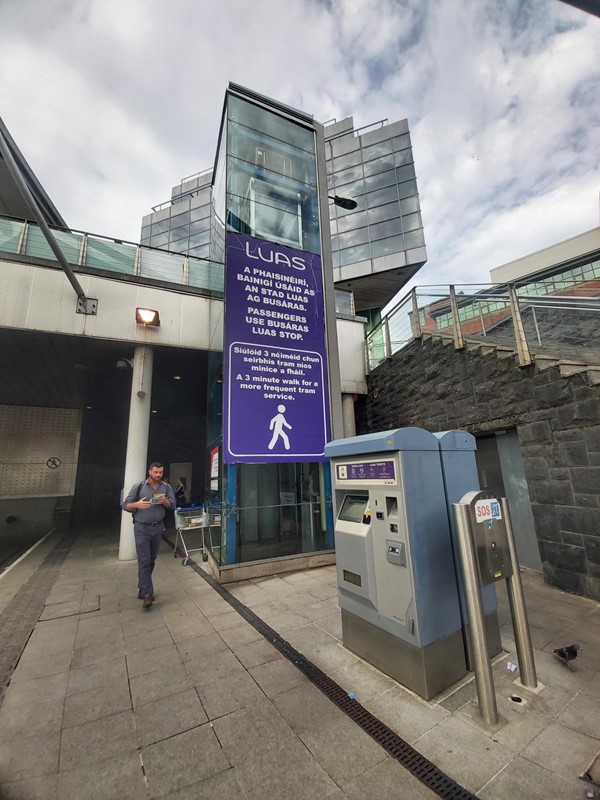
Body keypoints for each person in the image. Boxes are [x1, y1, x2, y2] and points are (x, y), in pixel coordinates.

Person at [122, 462, 176, 608]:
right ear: (149, 472)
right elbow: (125, 505)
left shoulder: (166, 487)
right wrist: (136, 505)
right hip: (142, 529)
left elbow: (173, 505)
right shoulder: (139, 487)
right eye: (156, 472)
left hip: (158, 528)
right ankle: (148, 594)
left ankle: (142, 588)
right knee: (144, 560)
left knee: (151, 560)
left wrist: (165, 501)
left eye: (160, 472)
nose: (158, 475)